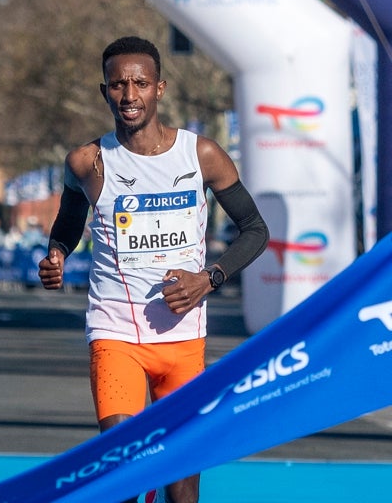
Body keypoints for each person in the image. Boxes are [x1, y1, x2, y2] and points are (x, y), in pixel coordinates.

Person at [38, 36, 269, 503]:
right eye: (118, 85)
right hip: (115, 334)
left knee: (182, 487)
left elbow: (255, 229)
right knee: (122, 468)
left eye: (139, 83)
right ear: (104, 92)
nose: (129, 95)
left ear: (159, 88)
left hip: (183, 342)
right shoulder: (87, 162)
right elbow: (67, 224)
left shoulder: (201, 155)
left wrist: (209, 279)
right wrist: (57, 254)